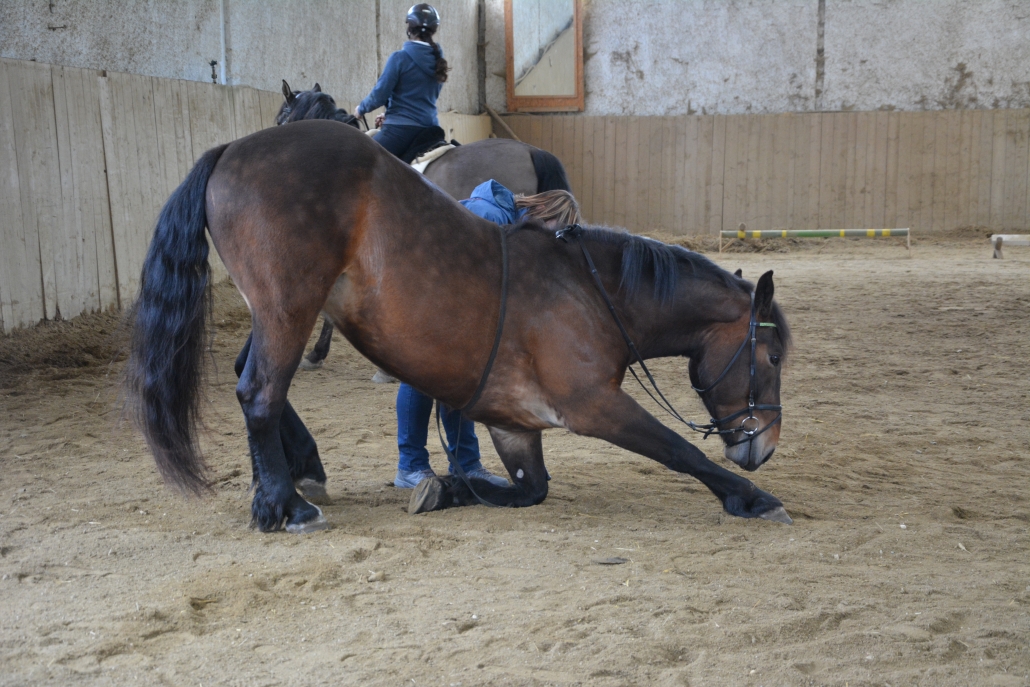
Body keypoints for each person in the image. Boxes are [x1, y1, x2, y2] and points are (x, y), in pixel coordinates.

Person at [394, 180, 582, 489]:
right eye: (553, 227)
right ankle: (411, 466)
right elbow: (465, 273)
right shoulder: (490, 216)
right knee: (419, 379)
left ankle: (465, 465)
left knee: (458, 382)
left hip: (446, 302)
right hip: (431, 300)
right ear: (543, 210)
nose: (549, 239)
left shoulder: (507, 223)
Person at [354, 4, 448, 159]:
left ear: (409, 28)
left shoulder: (399, 58)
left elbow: (380, 94)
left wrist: (361, 109)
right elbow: (424, 97)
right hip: (431, 128)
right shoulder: (439, 61)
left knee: (359, 158)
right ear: (434, 30)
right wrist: (389, 114)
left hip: (399, 131)